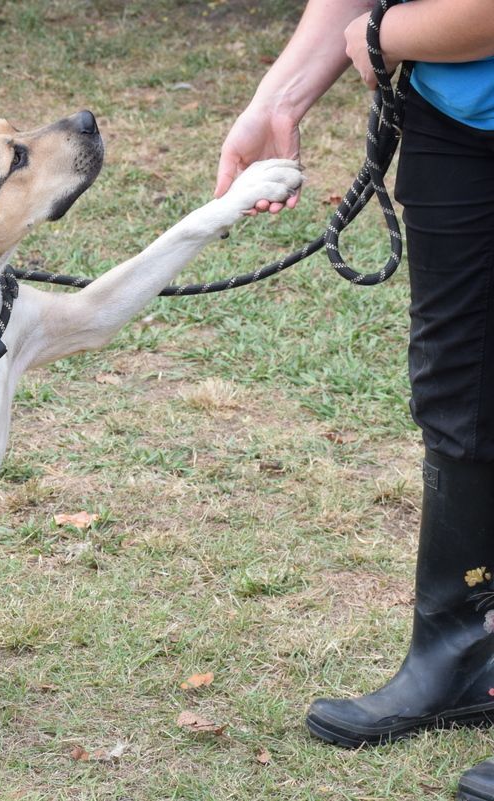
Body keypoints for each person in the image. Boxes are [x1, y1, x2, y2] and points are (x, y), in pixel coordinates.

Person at [214, 1, 494, 798]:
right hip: (456, 120)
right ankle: (460, 654)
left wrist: (381, 36)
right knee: (458, 386)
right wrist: (280, 100)